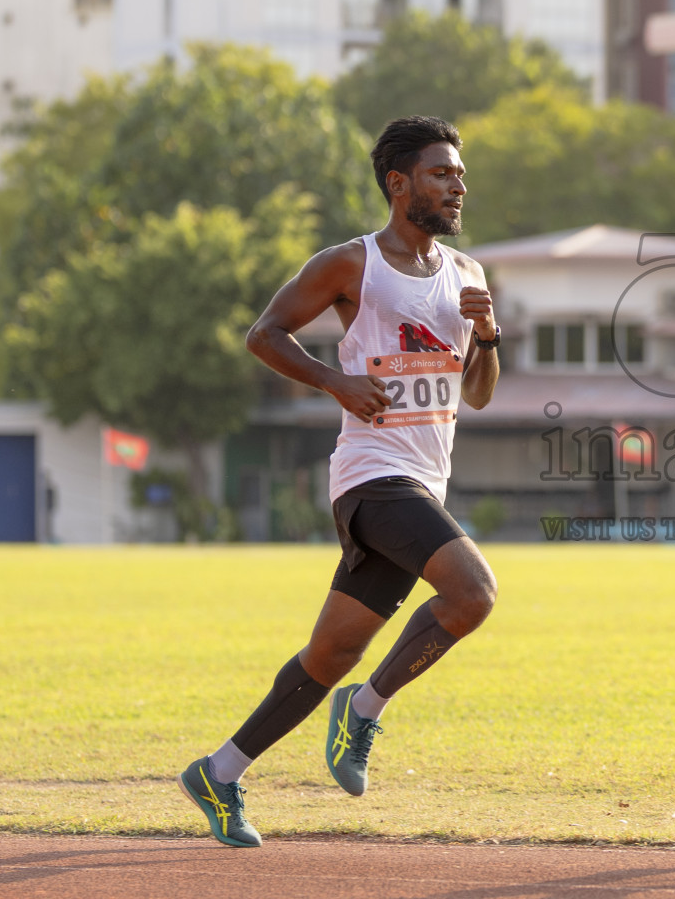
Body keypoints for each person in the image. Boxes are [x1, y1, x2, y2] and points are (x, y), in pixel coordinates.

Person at [177, 116, 501, 847]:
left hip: (425, 480)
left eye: (460, 176)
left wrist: (488, 337)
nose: (458, 187)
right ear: (399, 183)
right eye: (442, 174)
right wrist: (336, 383)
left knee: (330, 655)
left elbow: (478, 392)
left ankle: (219, 772)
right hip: (372, 476)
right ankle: (365, 711)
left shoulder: (469, 275)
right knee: (473, 593)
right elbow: (265, 333)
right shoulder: (350, 264)